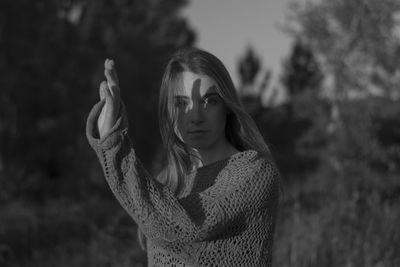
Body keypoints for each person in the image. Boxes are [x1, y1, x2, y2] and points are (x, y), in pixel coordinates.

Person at [86, 47, 280, 266]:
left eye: (210, 100)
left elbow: (186, 226)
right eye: (181, 103)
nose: (195, 116)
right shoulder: (166, 182)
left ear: (226, 106)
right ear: (168, 111)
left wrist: (113, 146)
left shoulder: (254, 173)